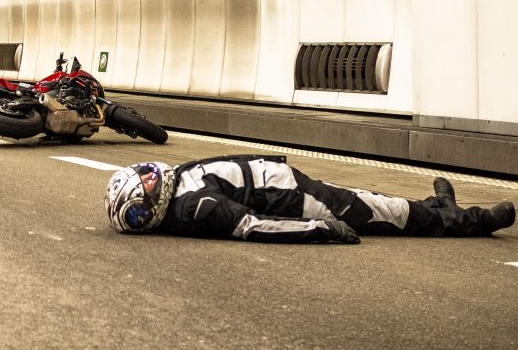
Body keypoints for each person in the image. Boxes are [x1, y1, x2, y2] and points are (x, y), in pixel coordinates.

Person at [105, 154, 515, 243]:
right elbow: (253, 225)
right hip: (290, 200)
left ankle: (437, 205)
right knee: (373, 211)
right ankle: (474, 221)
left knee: (368, 201)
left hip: (282, 181)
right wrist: (319, 228)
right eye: (138, 216)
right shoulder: (195, 208)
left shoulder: (179, 186)